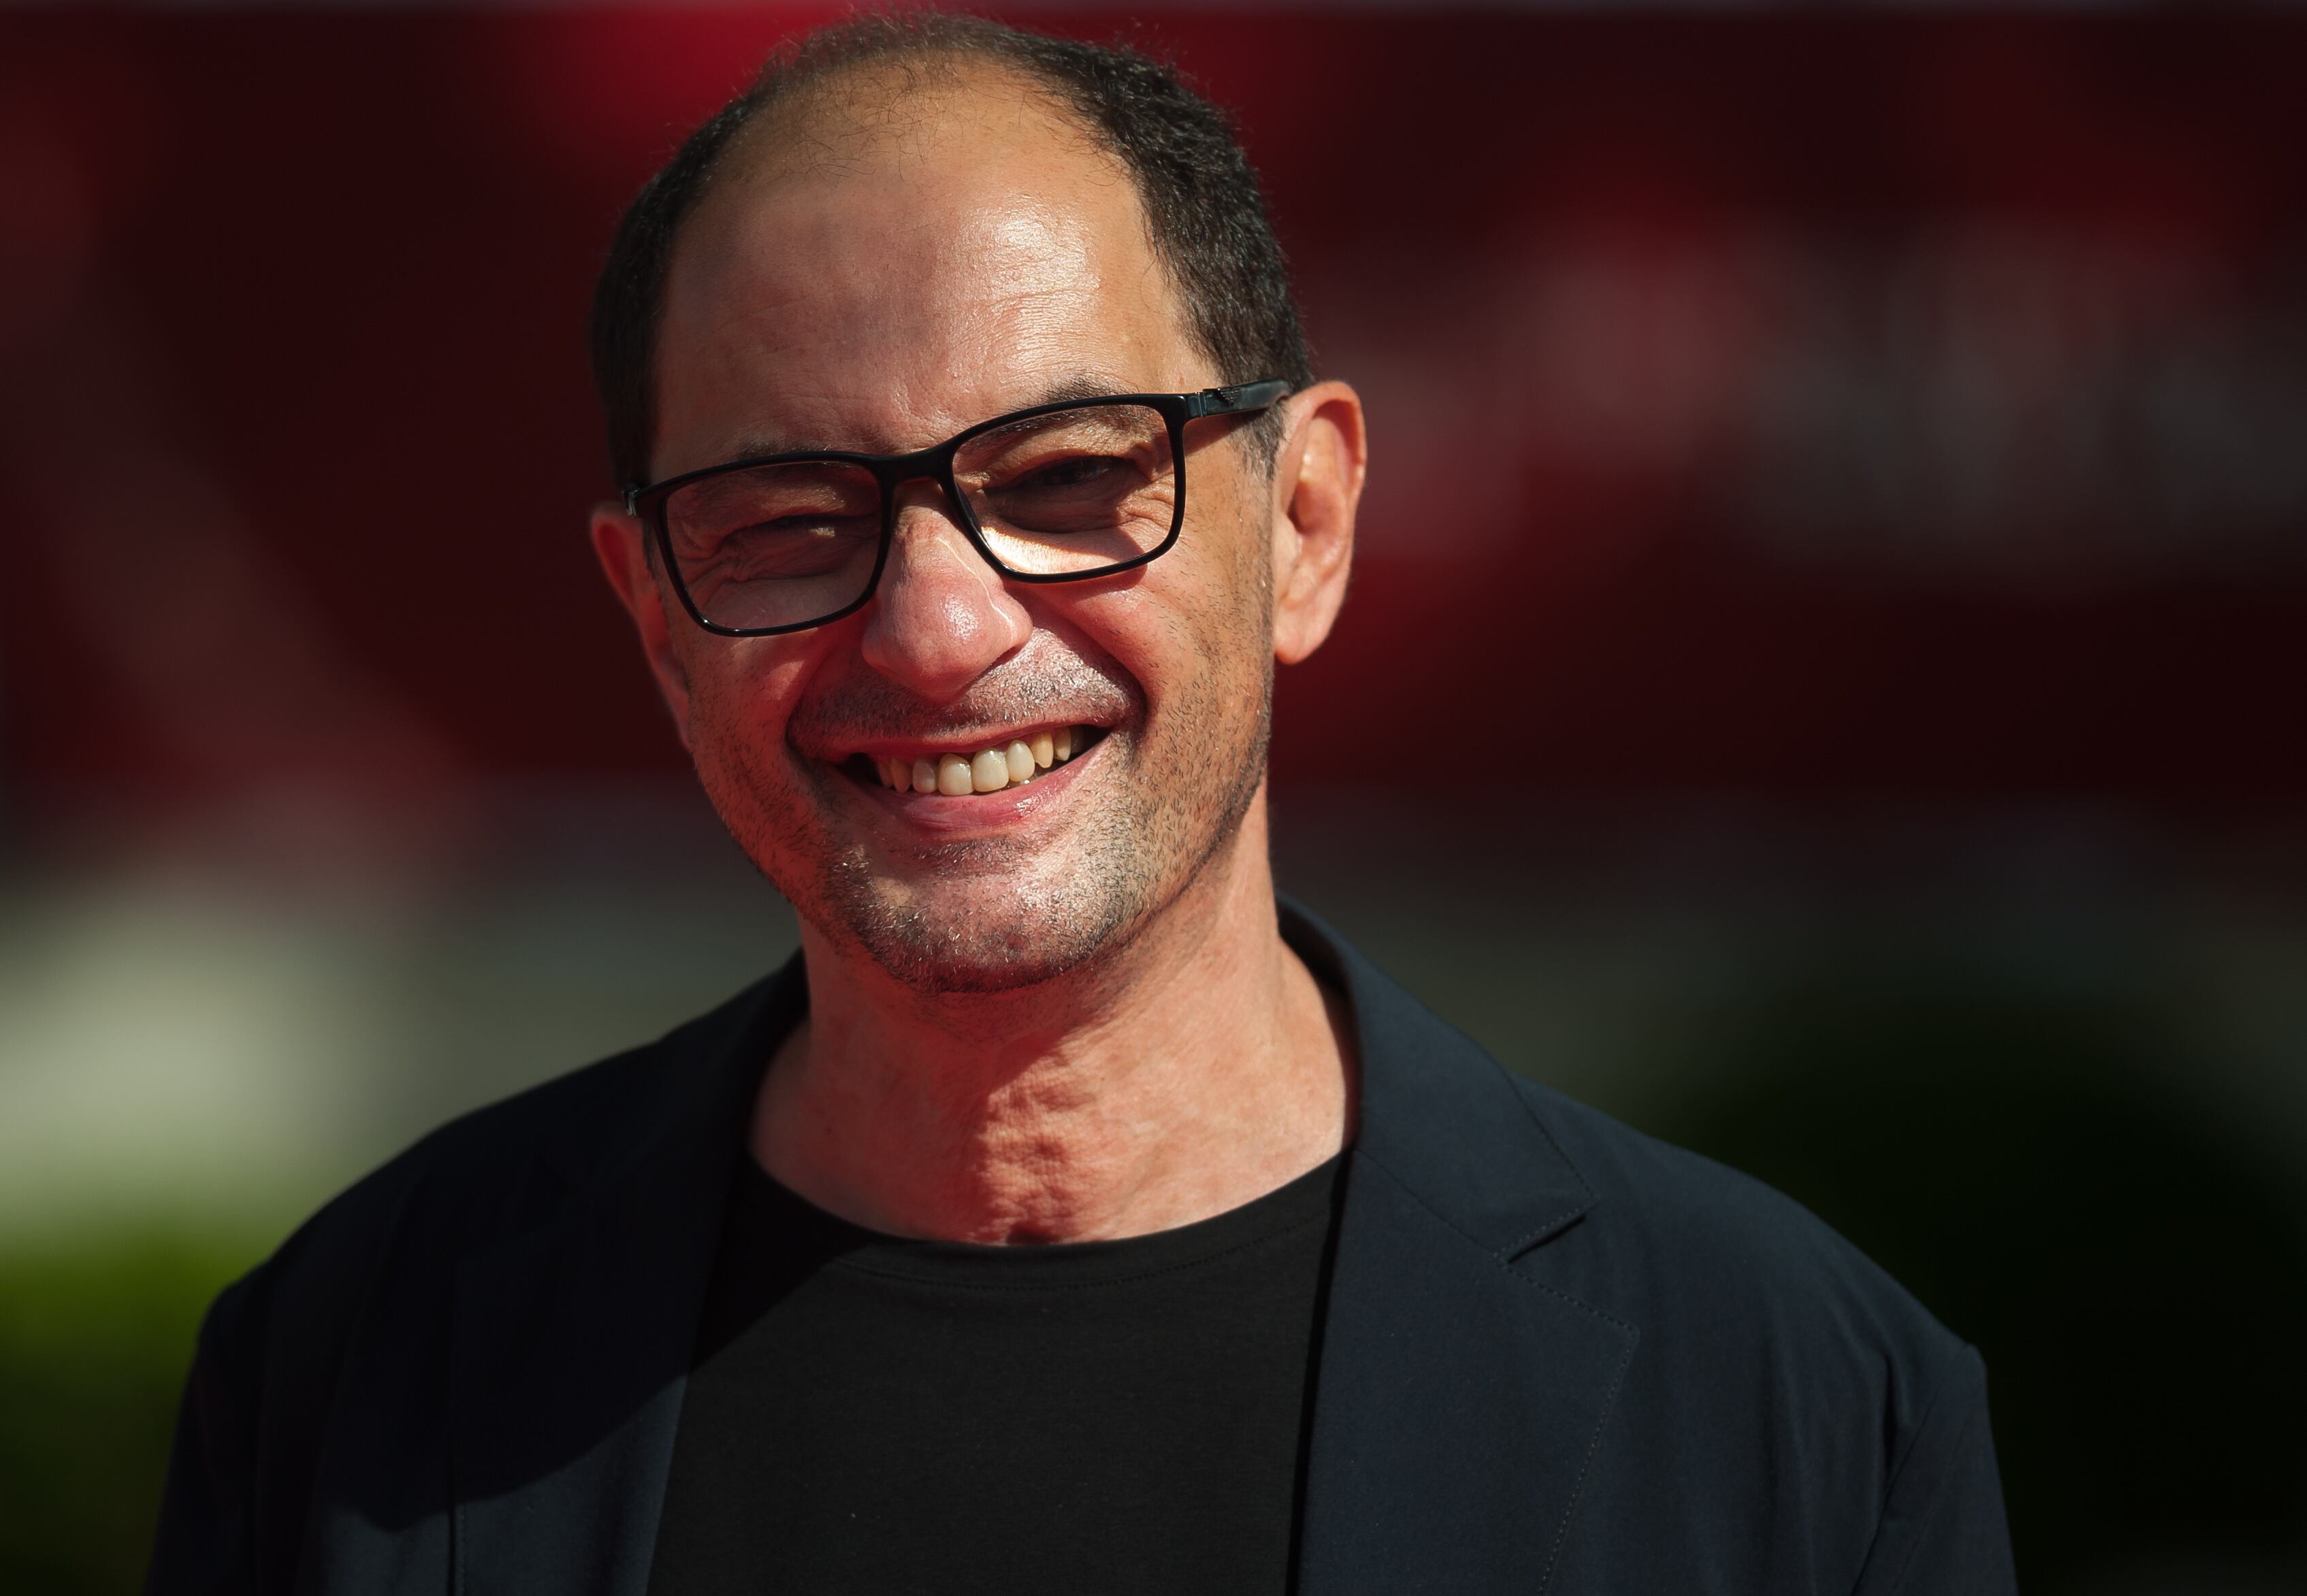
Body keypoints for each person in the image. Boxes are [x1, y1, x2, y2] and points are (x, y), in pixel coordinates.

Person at [146, 15, 2016, 1595]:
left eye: (1065, 475)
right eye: (787, 517)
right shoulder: (358, 1370)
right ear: (654, 619)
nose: (940, 626)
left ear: (1305, 523)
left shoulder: (1789, 1413)